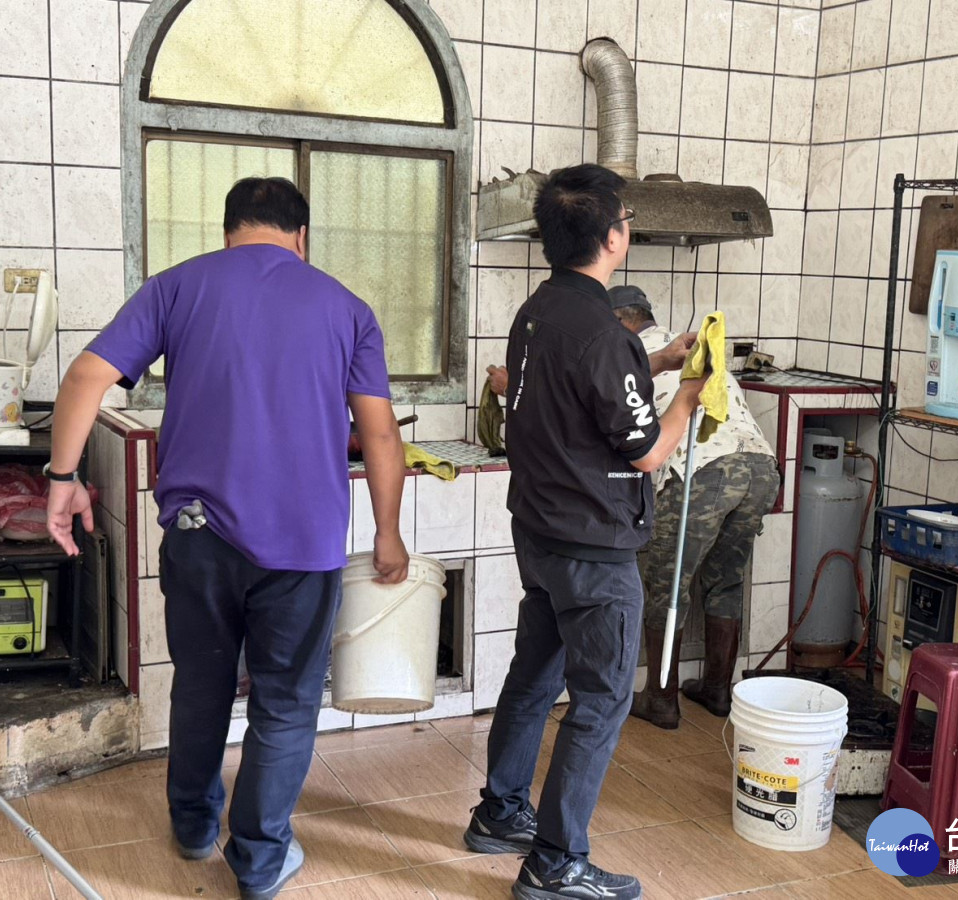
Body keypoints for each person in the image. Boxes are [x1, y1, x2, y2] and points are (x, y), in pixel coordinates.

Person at [44, 177, 409, 900]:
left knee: (202, 685)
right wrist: (389, 533)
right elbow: (379, 434)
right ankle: (261, 860)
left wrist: (63, 480)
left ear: (228, 232)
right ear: (301, 238)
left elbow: (86, 376)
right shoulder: (346, 307)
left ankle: (191, 826)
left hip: (199, 536)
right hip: (303, 546)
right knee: (286, 701)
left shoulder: (178, 286)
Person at [465, 164, 704, 900]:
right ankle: (555, 861)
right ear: (612, 236)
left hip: (539, 532)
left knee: (535, 675)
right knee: (601, 699)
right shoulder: (603, 330)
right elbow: (647, 451)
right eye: (625, 217)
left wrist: (656, 361)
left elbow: (583, 388)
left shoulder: (537, 311)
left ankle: (500, 813)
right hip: (594, 547)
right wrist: (689, 395)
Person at [612, 285, 780, 730]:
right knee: (726, 580)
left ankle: (661, 699)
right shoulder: (690, 346)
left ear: (620, 321)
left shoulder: (628, 356)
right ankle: (718, 690)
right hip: (761, 467)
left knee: (668, 585)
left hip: (703, 471)